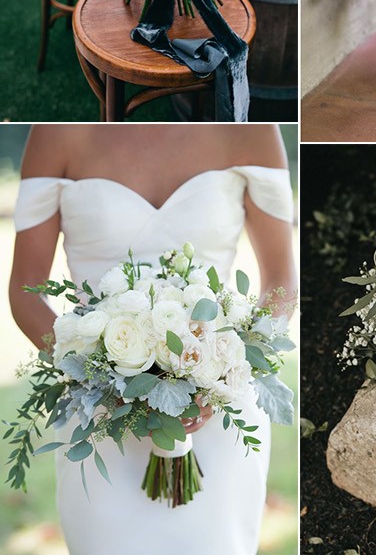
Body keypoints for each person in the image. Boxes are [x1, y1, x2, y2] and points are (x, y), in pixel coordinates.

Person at [10, 121, 296, 555]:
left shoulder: (252, 131)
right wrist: (98, 375)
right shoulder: (57, 133)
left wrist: (226, 369)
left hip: (219, 412)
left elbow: (281, 282)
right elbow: (25, 291)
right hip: (101, 421)